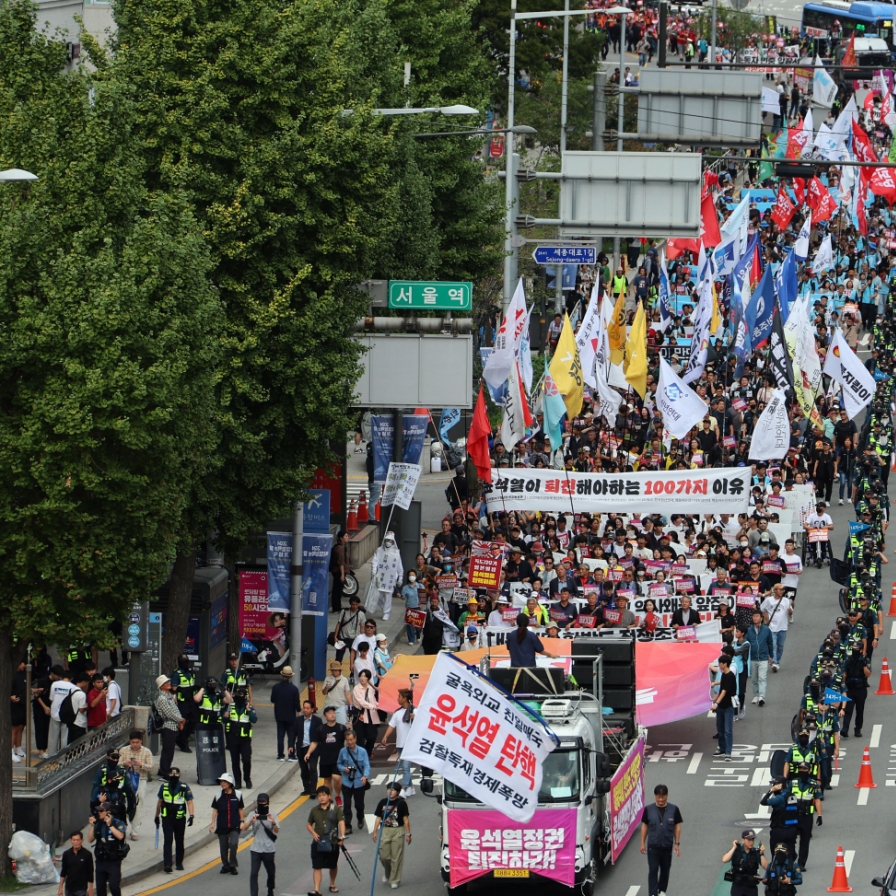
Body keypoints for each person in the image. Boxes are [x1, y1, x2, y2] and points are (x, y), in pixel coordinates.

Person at [639, 784, 682, 896]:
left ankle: (662, 890)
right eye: (658, 797)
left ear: (667, 796)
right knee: (653, 870)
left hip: (667, 846)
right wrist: (642, 843)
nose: (661, 799)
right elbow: (645, 826)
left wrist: (676, 843)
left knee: (665, 870)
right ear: (655, 796)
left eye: (663, 797)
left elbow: (677, 826)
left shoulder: (674, 809)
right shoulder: (649, 809)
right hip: (653, 846)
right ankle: (653, 893)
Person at [371, 782, 412, 890]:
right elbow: (378, 818)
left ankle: (395, 879)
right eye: (388, 789)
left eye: (393, 790)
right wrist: (375, 831)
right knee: (383, 856)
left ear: (397, 792)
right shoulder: (382, 802)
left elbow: (405, 819)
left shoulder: (401, 803)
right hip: (385, 830)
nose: (390, 791)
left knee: (396, 857)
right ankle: (388, 872)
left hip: (398, 831)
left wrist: (408, 833)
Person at [307, 785, 345, 896]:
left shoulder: (336, 809)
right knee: (317, 865)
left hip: (332, 842)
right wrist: (313, 833)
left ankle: (332, 883)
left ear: (329, 796)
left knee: (333, 865)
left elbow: (341, 822)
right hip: (318, 842)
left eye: (324, 795)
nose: (321, 798)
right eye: (319, 796)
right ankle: (316, 889)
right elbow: (309, 824)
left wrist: (342, 836)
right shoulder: (314, 810)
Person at [154, 766, 194, 873]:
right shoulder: (164, 786)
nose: (174, 778)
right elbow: (160, 802)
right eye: (172, 776)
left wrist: (192, 815)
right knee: (168, 840)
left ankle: (179, 862)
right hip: (167, 818)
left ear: (179, 776)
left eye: (176, 776)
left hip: (179, 818)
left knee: (179, 840)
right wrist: (156, 816)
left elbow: (189, 801)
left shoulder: (184, 787)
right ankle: (167, 864)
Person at [241, 792, 279, 896]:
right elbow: (243, 829)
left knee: (271, 873)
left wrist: (273, 821)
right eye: (260, 801)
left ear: (268, 802)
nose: (262, 803)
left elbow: (276, 831)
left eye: (264, 801)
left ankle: (270, 890)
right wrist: (251, 821)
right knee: (253, 874)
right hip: (255, 849)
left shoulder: (273, 814)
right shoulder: (252, 814)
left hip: (269, 849)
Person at [119, 730, 153, 841]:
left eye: (137, 742)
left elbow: (151, 767)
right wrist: (125, 763)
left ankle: (135, 830)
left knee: (139, 803)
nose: (135, 744)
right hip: (126, 778)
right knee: (123, 803)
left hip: (141, 779)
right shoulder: (123, 750)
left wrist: (141, 764)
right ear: (130, 741)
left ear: (141, 741)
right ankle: (123, 826)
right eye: (133, 742)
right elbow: (118, 764)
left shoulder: (146, 752)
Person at [87, 803, 127, 896]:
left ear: (108, 812)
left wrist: (110, 825)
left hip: (113, 861)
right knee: (100, 889)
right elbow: (90, 839)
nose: (99, 813)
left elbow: (121, 836)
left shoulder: (118, 823)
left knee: (114, 886)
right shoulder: (99, 823)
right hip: (101, 861)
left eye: (101, 811)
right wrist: (93, 826)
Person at [381, 689, 415, 798]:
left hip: (410, 744)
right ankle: (411, 788)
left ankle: (404, 788)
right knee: (405, 767)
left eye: (399, 696)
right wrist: (385, 736)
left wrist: (415, 718)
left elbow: (423, 723)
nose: (397, 699)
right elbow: (391, 726)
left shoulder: (415, 711)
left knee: (405, 767)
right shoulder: (397, 713)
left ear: (405, 698)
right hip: (400, 744)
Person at [209, 772, 244, 875]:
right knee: (223, 847)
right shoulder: (218, 795)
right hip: (222, 825)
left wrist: (242, 821)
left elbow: (240, 809)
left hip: (234, 824)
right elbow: (215, 810)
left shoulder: (238, 794)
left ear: (230, 783)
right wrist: (212, 823)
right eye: (221, 782)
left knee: (233, 844)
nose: (222, 784)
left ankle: (233, 865)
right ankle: (225, 865)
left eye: (224, 782)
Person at [337, 730, 370, 835]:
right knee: (347, 805)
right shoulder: (342, 751)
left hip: (359, 782)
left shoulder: (362, 751)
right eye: (348, 740)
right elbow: (339, 764)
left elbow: (367, 765)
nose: (350, 742)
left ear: (355, 739)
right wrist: (344, 769)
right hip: (347, 782)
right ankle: (348, 825)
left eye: (351, 740)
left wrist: (365, 776)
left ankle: (360, 818)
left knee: (359, 805)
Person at [223, 686, 256, 789]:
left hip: (245, 740)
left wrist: (249, 710)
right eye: (237, 695)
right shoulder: (231, 706)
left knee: (246, 760)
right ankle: (237, 781)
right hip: (233, 738)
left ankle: (247, 778)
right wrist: (225, 716)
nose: (238, 697)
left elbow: (254, 719)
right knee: (235, 761)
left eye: (241, 695)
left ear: (245, 696)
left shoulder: (249, 707)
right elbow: (224, 720)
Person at [154, 675, 184, 780]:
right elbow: (168, 713)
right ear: (161, 686)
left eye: (168, 682)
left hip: (173, 726)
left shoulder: (168, 696)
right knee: (168, 750)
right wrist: (180, 720)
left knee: (169, 750)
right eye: (166, 683)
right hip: (168, 726)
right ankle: (164, 772)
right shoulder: (162, 698)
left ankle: (163, 769)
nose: (168, 684)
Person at [370, 531, 404, 621]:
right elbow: (375, 561)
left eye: (390, 540)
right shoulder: (379, 550)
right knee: (378, 596)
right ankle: (385, 608)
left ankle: (386, 613)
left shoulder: (396, 552)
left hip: (391, 578)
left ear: (393, 541)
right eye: (387, 540)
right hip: (380, 577)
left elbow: (399, 566)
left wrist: (400, 578)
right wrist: (373, 571)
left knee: (388, 596)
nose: (388, 542)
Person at [721, 830, 767, 896]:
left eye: (752, 840)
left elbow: (766, 866)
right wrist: (734, 847)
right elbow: (724, 859)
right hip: (738, 885)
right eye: (749, 840)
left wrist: (761, 854)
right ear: (743, 840)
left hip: (751, 886)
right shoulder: (737, 851)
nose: (751, 842)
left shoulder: (756, 852)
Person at [271, 665, 301, 762]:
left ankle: (280, 755)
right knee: (291, 736)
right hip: (290, 716)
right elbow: (297, 703)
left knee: (280, 735)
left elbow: (272, 700)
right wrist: (299, 711)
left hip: (279, 715)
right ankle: (291, 755)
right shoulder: (294, 689)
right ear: (290, 677)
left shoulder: (275, 687)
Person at [318, 706, 347, 805]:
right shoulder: (321, 729)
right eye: (330, 713)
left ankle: (338, 795)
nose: (332, 714)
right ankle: (329, 797)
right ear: (325, 716)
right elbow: (315, 742)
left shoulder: (341, 728)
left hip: (338, 759)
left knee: (337, 778)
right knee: (327, 780)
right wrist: (309, 753)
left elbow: (348, 740)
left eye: (334, 713)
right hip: (325, 758)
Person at [760, 585, 793, 672]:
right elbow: (761, 609)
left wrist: (790, 611)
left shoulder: (786, 601)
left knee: (780, 646)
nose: (782, 591)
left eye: (783, 590)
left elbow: (791, 612)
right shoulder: (769, 600)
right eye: (780, 590)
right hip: (772, 627)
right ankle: (774, 662)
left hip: (783, 627)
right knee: (773, 645)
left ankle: (777, 661)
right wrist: (767, 619)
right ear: (775, 590)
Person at [170, 654, 198, 754]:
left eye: (186, 661)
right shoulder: (176, 674)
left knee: (194, 720)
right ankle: (183, 744)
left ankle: (181, 738)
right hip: (182, 702)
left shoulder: (190, 672)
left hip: (191, 700)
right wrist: (175, 700)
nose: (185, 663)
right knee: (183, 722)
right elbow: (173, 689)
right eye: (183, 661)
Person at [745, 610, 773, 706]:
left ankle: (761, 696)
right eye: (753, 616)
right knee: (754, 679)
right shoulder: (749, 630)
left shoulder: (766, 630)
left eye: (757, 616)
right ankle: (755, 695)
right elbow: (746, 643)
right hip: (752, 658)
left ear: (761, 618)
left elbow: (770, 643)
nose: (755, 618)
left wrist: (771, 655)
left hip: (763, 657)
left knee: (762, 678)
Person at [712, 654, 736, 761]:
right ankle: (722, 749)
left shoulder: (731, 675)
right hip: (721, 707)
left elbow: (724, 691)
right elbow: (723, 684)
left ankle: (728, 752)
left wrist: (716, 703)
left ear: (725, 664)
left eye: (720, 663)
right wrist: (714, 683)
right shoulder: (724, 674)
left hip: (728, 707)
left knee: (728, 730)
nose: (719, 665)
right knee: (720, 729)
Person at [352, 669, 381, 757]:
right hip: (360, 714)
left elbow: (373, 700)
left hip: (370, 715)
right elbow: (361, 702)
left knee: (373, 735)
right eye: (361, 676)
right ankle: (362, 756)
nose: (362, 678)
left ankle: (367, 753)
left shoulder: (370, 688)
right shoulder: (356, 688)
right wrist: (374, 707)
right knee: (359, 737)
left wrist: (379, 705)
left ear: (368, 678)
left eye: (365, 676)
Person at [298, 700, 324, 794]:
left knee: (313, 768)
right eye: (304, 708)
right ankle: (307, 788)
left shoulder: (317, 721)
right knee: (304, 770)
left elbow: (321, 735)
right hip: (302, 748)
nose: (305, 710)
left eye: (307, 708)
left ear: (312, 709)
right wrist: (290, 745)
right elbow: (293, 733)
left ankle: (313, 790)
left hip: (314, 748)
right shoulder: (298, 720)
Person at [59, 831, 94, 896]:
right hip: (69, 888)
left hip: (81, 889)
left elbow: (90, 873)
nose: (76, 842)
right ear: (71, 840)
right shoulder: (66, 854)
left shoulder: (87, 854)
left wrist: (91, 889)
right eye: (74, 840)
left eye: (78, 840)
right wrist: (60, 887)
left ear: (82, 840)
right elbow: (63, 871)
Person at [321, 662, 352, 727]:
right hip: (329, 704)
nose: (334, 671)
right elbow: (324, 693)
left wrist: (351, 705)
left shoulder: (344, 680)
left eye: (336, 670)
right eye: (333, 670)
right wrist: (326, 688)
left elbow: (348, 693)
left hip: (340, 705)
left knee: (342, 725)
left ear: (339, 670)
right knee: (327, 725)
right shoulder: (327, 678)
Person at [67, 673, 90, 744]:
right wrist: (88, 706)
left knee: (71, 743)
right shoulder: (82, 694)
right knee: (79, 745)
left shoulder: (72, 690)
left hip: (72, 721)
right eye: (87, 683)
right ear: (83, 682)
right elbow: (81, 709)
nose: (87, 685)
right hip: (79, 723)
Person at [330, 530, 348, 614]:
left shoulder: (339, 547)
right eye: (346, 536)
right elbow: (341, 562)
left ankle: (337, 607)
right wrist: (342, 574)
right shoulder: (340, 548)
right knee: (337, 590)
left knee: (337, 589)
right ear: (341, 538)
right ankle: (336, 607)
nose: (347, 538)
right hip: (338, 571)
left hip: (337, 571)